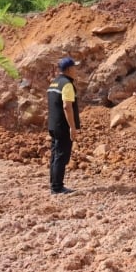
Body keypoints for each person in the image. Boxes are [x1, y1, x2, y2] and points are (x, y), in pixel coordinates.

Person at [47, 57, 81, 195]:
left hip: (53, 124)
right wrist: (72, 127)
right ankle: (57, 187)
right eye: (74, 67)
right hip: (63, 126)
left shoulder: (53, 84)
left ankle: (54, 184)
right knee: (61, 156)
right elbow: (67, 107)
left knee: (55, 155)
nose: (76, 70)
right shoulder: (67, 84)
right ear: (68, 69)